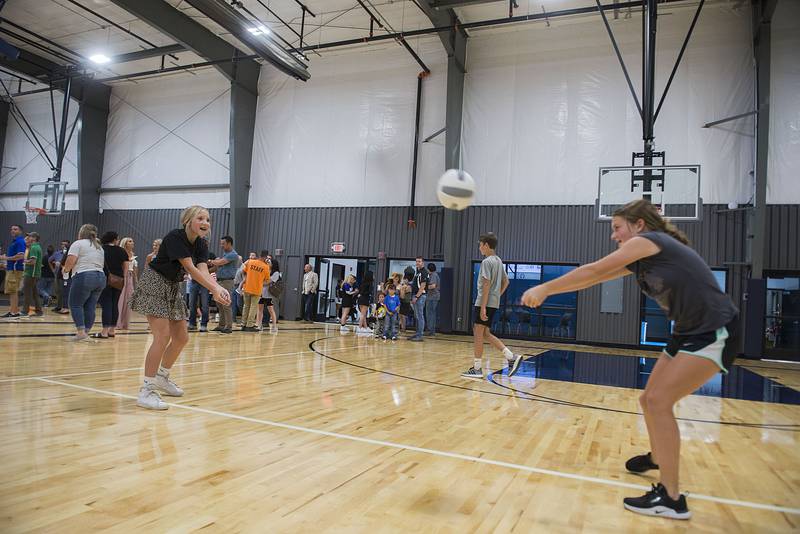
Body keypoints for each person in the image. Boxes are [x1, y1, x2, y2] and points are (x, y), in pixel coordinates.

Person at [522, 199, 739, 520]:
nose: (614, 235)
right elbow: (594, 278)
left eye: (617, 228)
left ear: (639, 225)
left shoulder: (649, 242)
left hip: (714, 329)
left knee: (659, 402)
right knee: (650, 400)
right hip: (688, 331)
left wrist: (546, 288)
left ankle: (672, 498)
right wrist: (554, 288)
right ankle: (660, 456)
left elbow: (594, 268)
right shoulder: (644, 255)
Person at [130, 205, 230, 410]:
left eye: (208, 219)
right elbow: (191, 269)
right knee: (162, 336)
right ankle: (146, 390)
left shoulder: (201, 243)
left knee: (182, 338)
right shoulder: (175, 237)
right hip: (155, 283)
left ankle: (162, 377)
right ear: (188, 221)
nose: (205, 223)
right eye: (200, 218)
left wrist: (217, 288)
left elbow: (202, 268)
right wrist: (214, 289)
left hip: (173, 286)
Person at [462, 232, 522, 380]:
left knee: (478, 332)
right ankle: (511, 356)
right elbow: (506, 282)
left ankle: (477, 369)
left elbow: (486, 284)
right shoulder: (499, 261)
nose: (479, 248)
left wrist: (483, 307)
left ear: (486, 245)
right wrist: (496, 296)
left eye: (480, 245)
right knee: (485, 333)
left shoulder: (487, 262)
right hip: (492, 302)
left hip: (485, 302)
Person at [62, 224, 106, 341]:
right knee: (90, 306)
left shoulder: (78, 243)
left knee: (75, 304)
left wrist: (65, 270)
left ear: (81, 233)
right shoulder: (99, 247)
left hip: (84, 275)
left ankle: (81, 333)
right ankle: (86, 332)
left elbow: (71, 260)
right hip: (100, 277)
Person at [95, 231, 129, 338]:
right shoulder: (122, 251)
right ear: (114, 239)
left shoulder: (101, 250)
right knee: (115, 304)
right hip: (119, 280)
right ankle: (112, 330)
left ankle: (104, 331)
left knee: (106, 305)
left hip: (104, 279)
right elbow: (126, 268)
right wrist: (124, 280)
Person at [208, 236, 239, 334]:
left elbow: (220, 262)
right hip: (220, 281)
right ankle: (221, 325)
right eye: (221, 243)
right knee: (219, 304)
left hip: (227, 282)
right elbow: (217, 266)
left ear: (229, 243)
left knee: (226, 304)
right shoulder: (225, 254)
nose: (221, 245)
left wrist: (210, 261)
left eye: (223, 243)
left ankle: (228, 326)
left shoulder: (233, 255)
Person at [0, 224, 26, 318]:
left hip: (15, 270)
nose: (13, 231)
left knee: (13, 291)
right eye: (12, 229)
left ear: (20, 231)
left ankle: (14, 312)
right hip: (11, 269)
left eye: (15, 229)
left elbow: (20, 256)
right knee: (12, 291)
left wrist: (6, 258)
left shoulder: (19, 242)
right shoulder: (14, 242)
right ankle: (14, 311)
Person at [241, 250, 270, 332]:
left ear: (259, 255)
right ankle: (249, 325)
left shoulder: (250, 262)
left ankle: (243, 324)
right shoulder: (265, 266)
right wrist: (260, 281)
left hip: (247, 287)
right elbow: (267, 280)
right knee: (253, 307)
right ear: (265, 257)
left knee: (246, 306)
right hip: (256, 289)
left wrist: (246, 279)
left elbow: (243, 271)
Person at [116, 237, 138, 330]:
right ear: (125, 243)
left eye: (132, 241)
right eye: (130, 241)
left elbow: (135, 270)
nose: (132, 242)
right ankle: (117, 322)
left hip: (130, 278)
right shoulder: (121, 253)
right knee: (120, 300)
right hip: (123, 277)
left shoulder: (133, 255)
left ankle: (125, 323)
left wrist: (136, 280)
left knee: (128, 300)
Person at [21, 231, 44, 317]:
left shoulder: (34, 247)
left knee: (27, 293)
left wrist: (23, 261)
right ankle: (39, 311)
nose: (28, 238)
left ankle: (24, 311)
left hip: (31, 274)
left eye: (30, 236)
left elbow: (33, 261)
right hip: (35, 274)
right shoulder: (37, 247)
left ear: (34, 238)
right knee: (34, 293)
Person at [408, 257, 429, 341]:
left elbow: (423, 286)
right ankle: (417, 333)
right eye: (416, 261)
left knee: (420, 316)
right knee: (417, 316)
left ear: (423, 262)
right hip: (416, 296)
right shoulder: (418, 272)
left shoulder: (424, 272)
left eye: (419, 261)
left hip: (420, 296)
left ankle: (420, 335)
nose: (417, 263)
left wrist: (417, 296)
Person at [263, 258, 282, 331]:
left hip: (272, 293)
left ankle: (273, 321)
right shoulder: (266, 270)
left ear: (273, 264)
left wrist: (259, 283)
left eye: (269, 263)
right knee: (264, 308)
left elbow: (268, 282)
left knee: (272, 308)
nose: (268, 264)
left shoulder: (276, 273)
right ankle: (264, 321)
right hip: (264, 292)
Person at [425, 263, 440, 335]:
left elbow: (433, 286)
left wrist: (423, 287)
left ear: (428, 269)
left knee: (430, 314)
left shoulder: (433, 275)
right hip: (432, 297)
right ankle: (431, 330)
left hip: (432, 297)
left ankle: (431, 330)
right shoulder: (433, 275)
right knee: (431, 313)